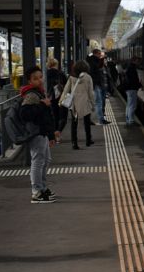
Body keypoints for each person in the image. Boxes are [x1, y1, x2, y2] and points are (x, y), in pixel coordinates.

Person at [19, 65, 59, 203]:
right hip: (36, 133)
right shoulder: (31, 94)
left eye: (41, 77)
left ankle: (42, 187)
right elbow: (25, 114)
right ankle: (36, 192)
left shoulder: (39, 92)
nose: (39, 80)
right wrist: (43, 105)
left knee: (45, 160)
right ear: (29, 81)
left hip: (42, 132)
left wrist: (51, 135)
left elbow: (46, 117)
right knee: (38, 161)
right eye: (35, 79)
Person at [61, 60, 96, 149]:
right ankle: (88, 140)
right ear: (86, 68)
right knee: (87, 122)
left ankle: (74, 143)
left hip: (74, 103)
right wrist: (93, 104)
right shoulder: (88, 77)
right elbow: (91, 92)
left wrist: (61, 101)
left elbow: (66, 89)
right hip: (85, 102)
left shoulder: (71, 77)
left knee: (74, 123)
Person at [87, 49, 110, 124]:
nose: (100, 55)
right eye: (99, 53)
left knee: (97, 102)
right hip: (96, 84)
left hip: (95, 84)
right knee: (98, 102)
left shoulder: (91, 61)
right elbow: (95, 72)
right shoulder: (94, 61)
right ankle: (100, 119)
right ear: (96, 53)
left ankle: (96, 119)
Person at [46, 57, 67, 133]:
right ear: (56, 64)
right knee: (63, 116)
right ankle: (58, 132)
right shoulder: (60, 74)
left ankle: (54, 132)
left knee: (54, 116)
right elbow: (67, 85)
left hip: (50, 97)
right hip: (61, 97)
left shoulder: (45, 74)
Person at [122, 56, 142, 125]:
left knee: (129, 104)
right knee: (133, 105)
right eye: (138, 61)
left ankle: (128, 119)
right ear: (134, 61)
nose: (139, 63)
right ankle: (131, 120)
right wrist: (140, 85)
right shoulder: (132, 68)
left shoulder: (129, 67)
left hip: (129, 88)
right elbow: (133, 80)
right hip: (132, 89)